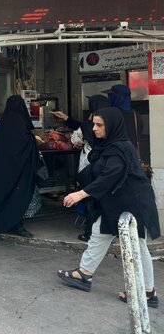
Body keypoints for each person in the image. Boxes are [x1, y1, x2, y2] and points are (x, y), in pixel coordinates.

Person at [57, 107, 160, 308]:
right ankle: (84, 274)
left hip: (132, 204)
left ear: (112, 126)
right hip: (114, 203)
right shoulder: (108, 146)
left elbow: (109, 177)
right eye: (94, 123)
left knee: (137, 246)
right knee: (99, 232)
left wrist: (79, 194)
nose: (94, 128)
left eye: (99, 125)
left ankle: (147, 292)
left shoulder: (119, 149)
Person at [0, 94, 44, 239]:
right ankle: (16, 224)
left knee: (4, 197)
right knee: (17, 197)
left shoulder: (3, 128)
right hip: (20, 173)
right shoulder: (21, 126)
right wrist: (33, 140)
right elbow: (26, 145)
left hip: (2, 173)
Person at [52, 95, 111, 241]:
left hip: (89, 165)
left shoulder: (88, 125)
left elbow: (75, 140)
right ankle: (108, 229)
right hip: (108, 164)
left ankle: (90, 232)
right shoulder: (113, 122)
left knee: (90, 197)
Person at [102, 84, 143, 155]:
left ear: (118, 97)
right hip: (131, 155)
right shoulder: (136, 114)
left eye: (111, 95)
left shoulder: (112, 114)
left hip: (115, 155)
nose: (109, 98)